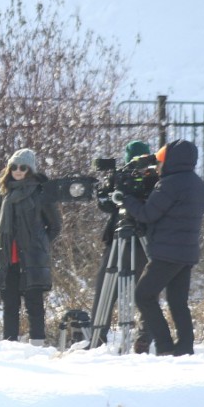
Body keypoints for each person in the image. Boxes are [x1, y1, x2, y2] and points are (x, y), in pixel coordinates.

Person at [111, 139, 204, 356]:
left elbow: (147, 214)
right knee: (177, 302)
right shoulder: (196, 182)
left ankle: (165, 347)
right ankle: (184, 348)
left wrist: (125, 200)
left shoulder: (169, 184)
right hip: (186, 252)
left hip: (167, 252)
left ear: (171, 161)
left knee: (144, 296)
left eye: (161, 161)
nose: (157, 165)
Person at [0, 148, 62, 345]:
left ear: (30, 170)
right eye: (14, 167)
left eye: (23, 167)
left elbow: (55, 225)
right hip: (7, 258)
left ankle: (37, 346)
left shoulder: (40, 192)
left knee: (34, 305)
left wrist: (40, 242)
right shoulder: (1, 194)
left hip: (32, 257)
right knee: (10, 306)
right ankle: (10, 346)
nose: (18, 171)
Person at [90, 140, 153, 351]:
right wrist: (108, 191)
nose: (138, 169)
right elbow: (106, 205)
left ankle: (144, 337)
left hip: (144, 236)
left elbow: (157, 205)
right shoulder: (119, 177)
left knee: (146, 289)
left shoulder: (154, 179)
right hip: (118, 237)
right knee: (105, 287)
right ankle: (97, 336)